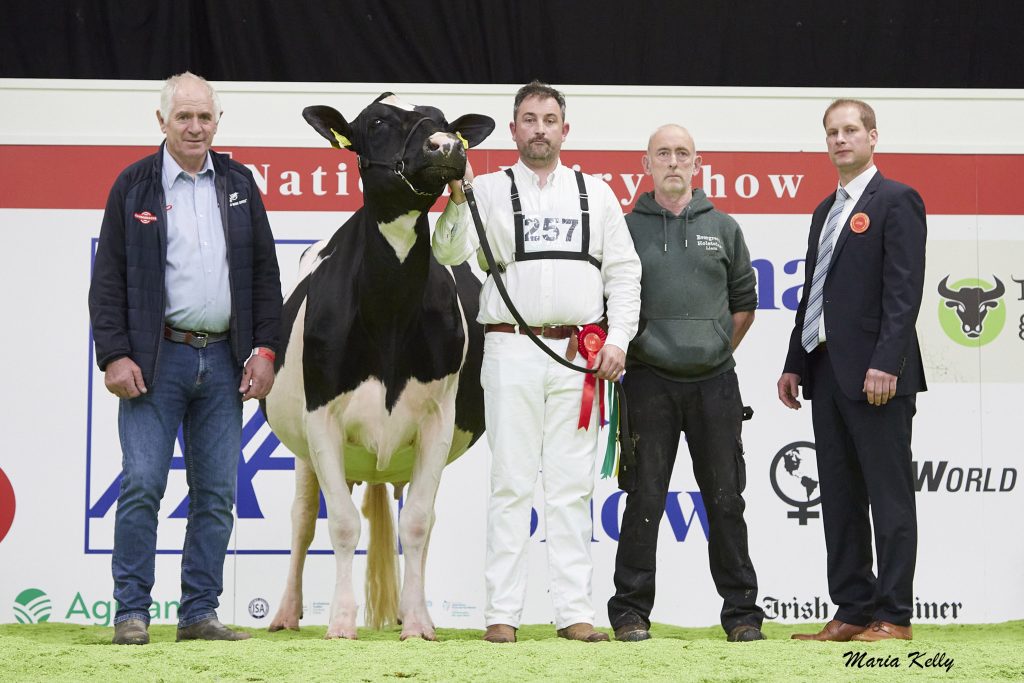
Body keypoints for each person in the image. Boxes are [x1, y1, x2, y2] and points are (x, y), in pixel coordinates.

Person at [432, 81, 641, 643]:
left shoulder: (596, 194)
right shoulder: (488, 191)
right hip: (509, 348)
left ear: (565, 130)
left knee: (572, 488)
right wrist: (456, 198)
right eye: (529, 118)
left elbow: (623, 273)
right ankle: (502, 613)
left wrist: (618, 338)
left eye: (550, 119)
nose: (540, 128)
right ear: (513, 129)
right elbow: (447, 253)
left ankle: (575, 613)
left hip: (580, 354)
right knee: (511, 483)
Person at [89, 72, 282, 645]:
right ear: (162, 122)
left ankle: (199, 614)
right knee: (144, 484)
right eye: (184, 117)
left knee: (218, 494)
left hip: (223, 360)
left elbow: (265, 277)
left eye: (204, 117)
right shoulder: (134, 186)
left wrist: (266, 349)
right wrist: (114, 356)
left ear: (217, 121)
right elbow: (108, 282)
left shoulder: (241, 183)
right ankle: (131, 613)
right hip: (154, 362)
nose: (195, 127)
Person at [605, 125, 765, 643]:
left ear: (698, 163)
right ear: (646, 164)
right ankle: (630, 612)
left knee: (725, 499)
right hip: (648, 381)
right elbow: (610, 302)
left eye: (682, 154)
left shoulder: (725, 227)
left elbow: (744, 303)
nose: (673, 162)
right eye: (662, 154)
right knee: (644, 499)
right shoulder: (624, 228)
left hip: (715, 384)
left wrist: (714, 347)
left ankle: (742, 615)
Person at [778, 99, 927, 642]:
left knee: (888, 497)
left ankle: (893, 615)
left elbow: (903, 291)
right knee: (840, 498)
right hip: (826, 375)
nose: (840, 140)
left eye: (850, 131)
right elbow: (813, 295)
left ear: (872, 137)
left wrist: (886, 361)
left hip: (879, 377)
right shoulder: (825, 209)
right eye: (832, 133)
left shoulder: (897, 200)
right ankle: (852, 609)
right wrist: (796, 362)